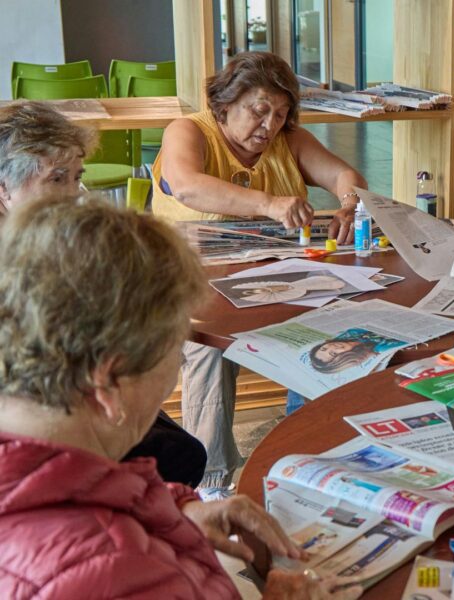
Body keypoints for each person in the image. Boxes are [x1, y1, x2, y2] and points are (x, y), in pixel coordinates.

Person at [0, 195, 361, 599]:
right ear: (110, 382)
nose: (178, 368)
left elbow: (85, 502)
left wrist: (176, 512)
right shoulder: (121, 573)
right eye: (175, 350)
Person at [152, 51, 368, 498]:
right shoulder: (189, 131)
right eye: (259, 110)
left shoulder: (289, 140)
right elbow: (187, 185)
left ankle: (306, 449)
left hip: (276, 277)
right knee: (210, 344)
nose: (270, 125)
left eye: (282, 113)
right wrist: (268, 204)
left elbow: (344, 175)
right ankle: (210, 481)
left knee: (334, 319)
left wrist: (350, 204)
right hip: (193, 279)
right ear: (224, 104)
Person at [0, 100, 207, 487]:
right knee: (177, 456)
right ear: (4, 190)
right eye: (56, 178)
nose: (75, 194)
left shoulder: (47, 238)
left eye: (76, 177)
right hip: (36, 405)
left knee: (183, 451)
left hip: (67, 386)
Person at [308, 329, 407, 374]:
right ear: (345, 358)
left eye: (324, 348)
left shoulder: (345, 336)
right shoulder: (380, 347)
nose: (332, 347)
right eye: (334, 353)